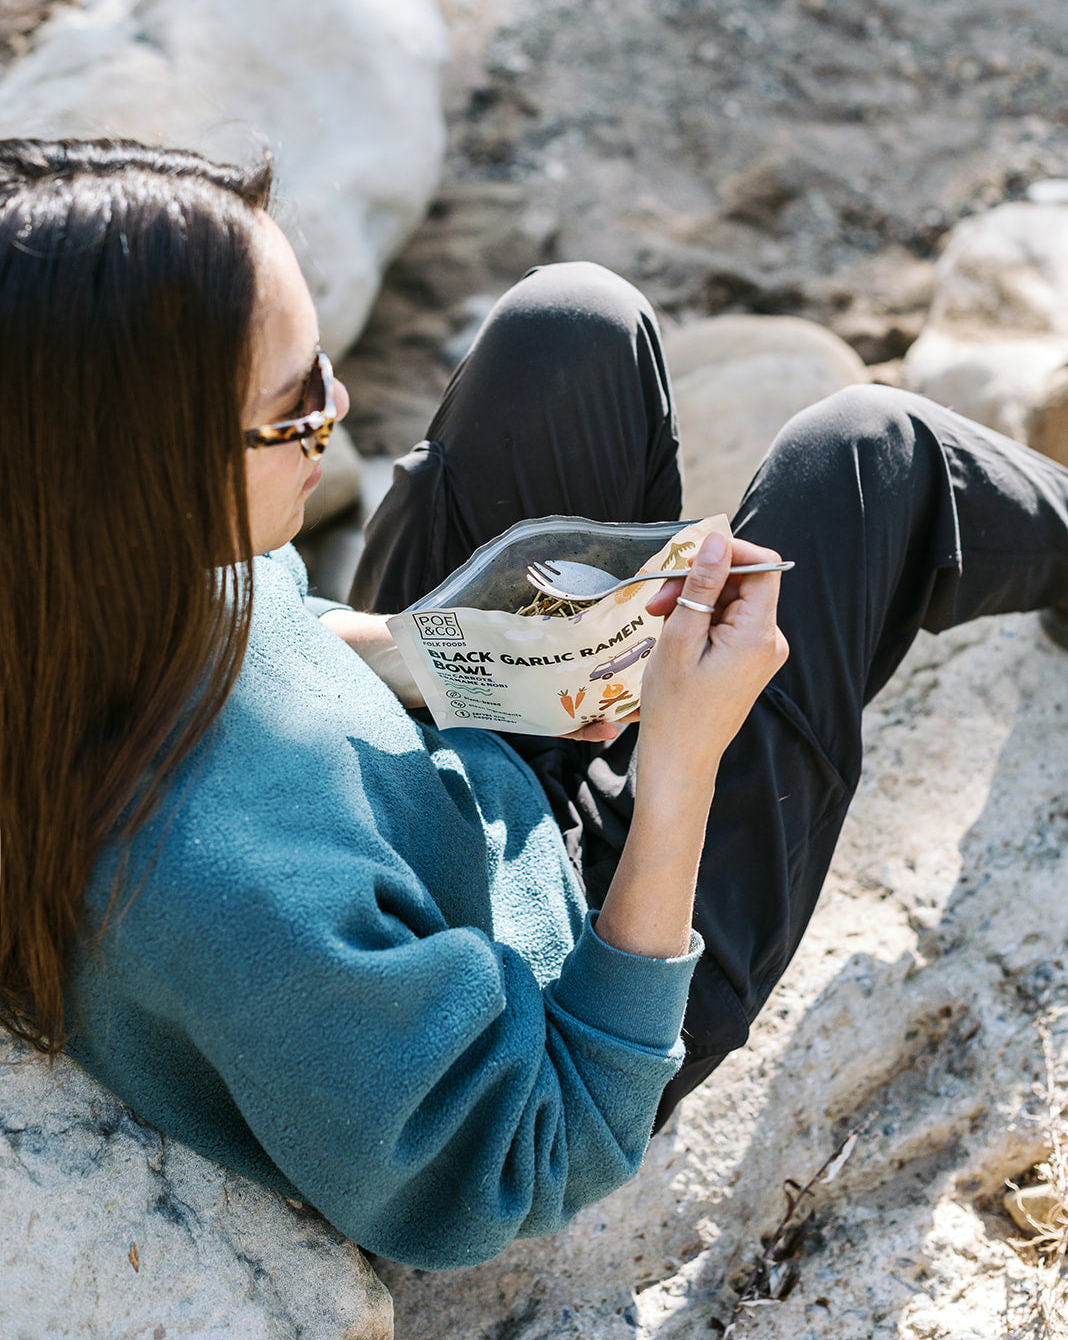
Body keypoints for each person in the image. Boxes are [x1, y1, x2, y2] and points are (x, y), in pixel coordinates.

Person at [1, 138, 1067, 1274]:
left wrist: (442, 656)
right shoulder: (234, 903)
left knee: (573, 327)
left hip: (446, 794)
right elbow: (542, 1145)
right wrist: (681, 763)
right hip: (581, 993)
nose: (344, 402)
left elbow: (267, 625)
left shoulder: (62, 575)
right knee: (868, 459)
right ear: (143, 470)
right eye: (299, 402)